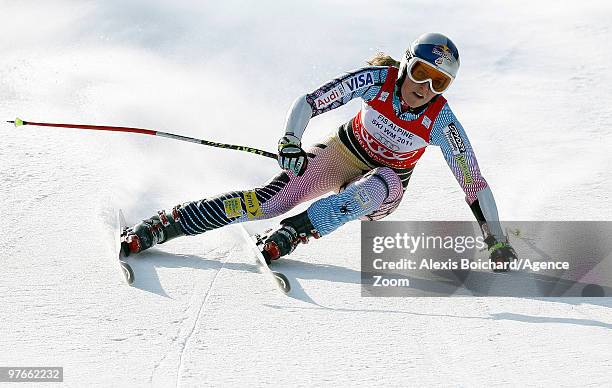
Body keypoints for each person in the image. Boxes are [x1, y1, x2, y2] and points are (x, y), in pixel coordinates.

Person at [121, 32, 517, 270]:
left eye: (439, 83)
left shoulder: (442, 122)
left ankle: (294, 234)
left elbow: (474, 184)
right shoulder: (377, 80)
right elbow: (311, 101)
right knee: (275, 200)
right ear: (406, 65)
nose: (425, 89)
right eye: (421, 74)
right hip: (344, 151)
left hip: (388, 182)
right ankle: (166, 224)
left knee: (374, 187)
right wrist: (290, 142)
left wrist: (495, 238)